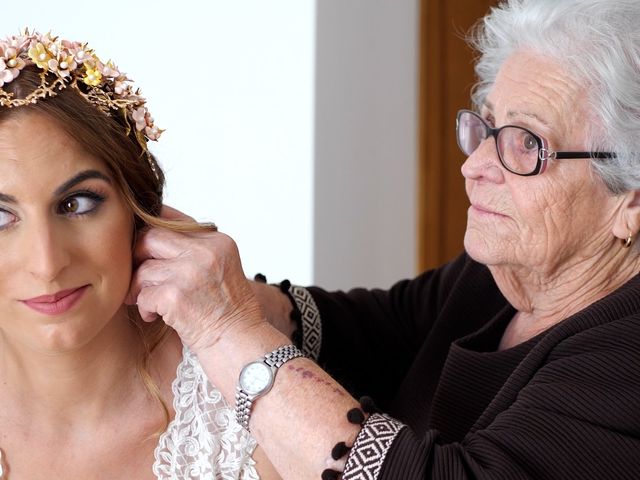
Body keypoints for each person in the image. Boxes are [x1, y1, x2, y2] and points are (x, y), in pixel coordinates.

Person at [125, 0, 640, 478]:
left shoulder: (625, 361)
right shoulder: (503, 269)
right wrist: (229, 294)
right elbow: (387, 331)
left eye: (527, 143)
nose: (474, 165)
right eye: (486, 126)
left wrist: (227, 330)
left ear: (630, 199)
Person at [0, 30, 281, 479]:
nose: (47, 264)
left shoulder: (252, 415)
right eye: (1, 217)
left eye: (76, 204)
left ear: (140, 210)